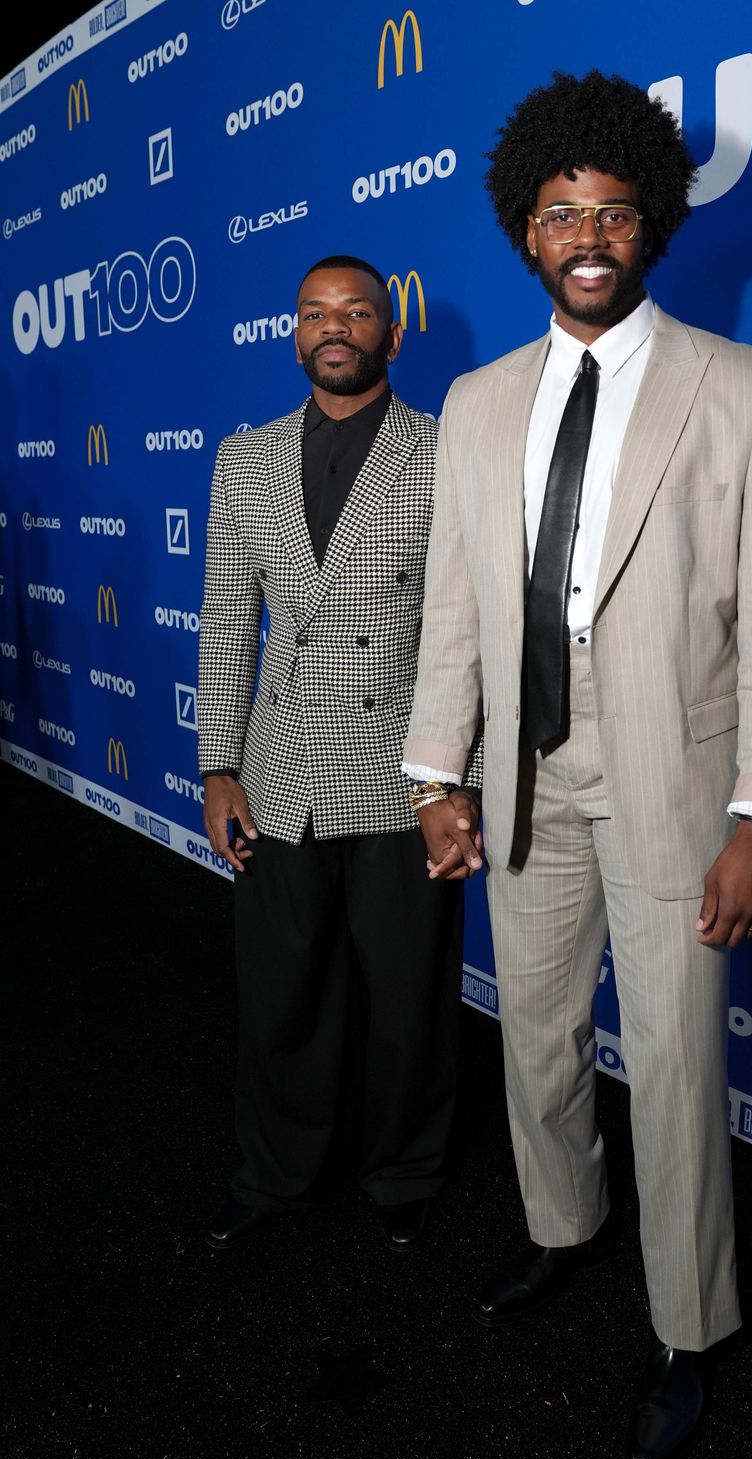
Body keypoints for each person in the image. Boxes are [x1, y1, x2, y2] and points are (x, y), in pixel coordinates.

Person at [403, 73, 752, 1459]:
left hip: (673, 784)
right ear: (523, 231)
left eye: (611, 211)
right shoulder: (474, 401)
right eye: (557, 213)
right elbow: (458, 605)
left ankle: (687, 1325)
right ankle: (558, 1229)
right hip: (522, 783)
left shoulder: (742, 388)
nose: (586, 234)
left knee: (673, 1065)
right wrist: (437, 777)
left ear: (653, 226)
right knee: (533, 1040)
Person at [198, 254, 479, 1255]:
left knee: (408, 996)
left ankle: (403, 1167)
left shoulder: (445, 450)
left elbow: (470, 625)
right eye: (315, 312)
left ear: (389, 334)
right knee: (281, 989)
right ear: (293, 332)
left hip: (406, 767)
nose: (335, 327)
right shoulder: (245, 457)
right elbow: (231, 617)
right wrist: (216, 765)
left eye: (355, 312)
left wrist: (454, 780)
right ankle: (276, 1169)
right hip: (279, 766)